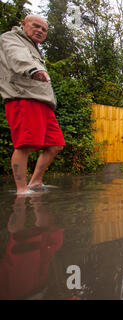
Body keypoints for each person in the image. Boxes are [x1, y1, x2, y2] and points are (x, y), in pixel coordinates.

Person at [0, 15, 65, 194]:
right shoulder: (11, 38)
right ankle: (21, 190)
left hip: (43, 101)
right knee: (25, 144)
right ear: (23, 25)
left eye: (44, 29)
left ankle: (35, 182)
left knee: (55, 145)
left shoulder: (34, 48)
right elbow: (17, 56)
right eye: (36, 26)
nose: (40, 31)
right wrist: (33, 70)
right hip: (23, 97)